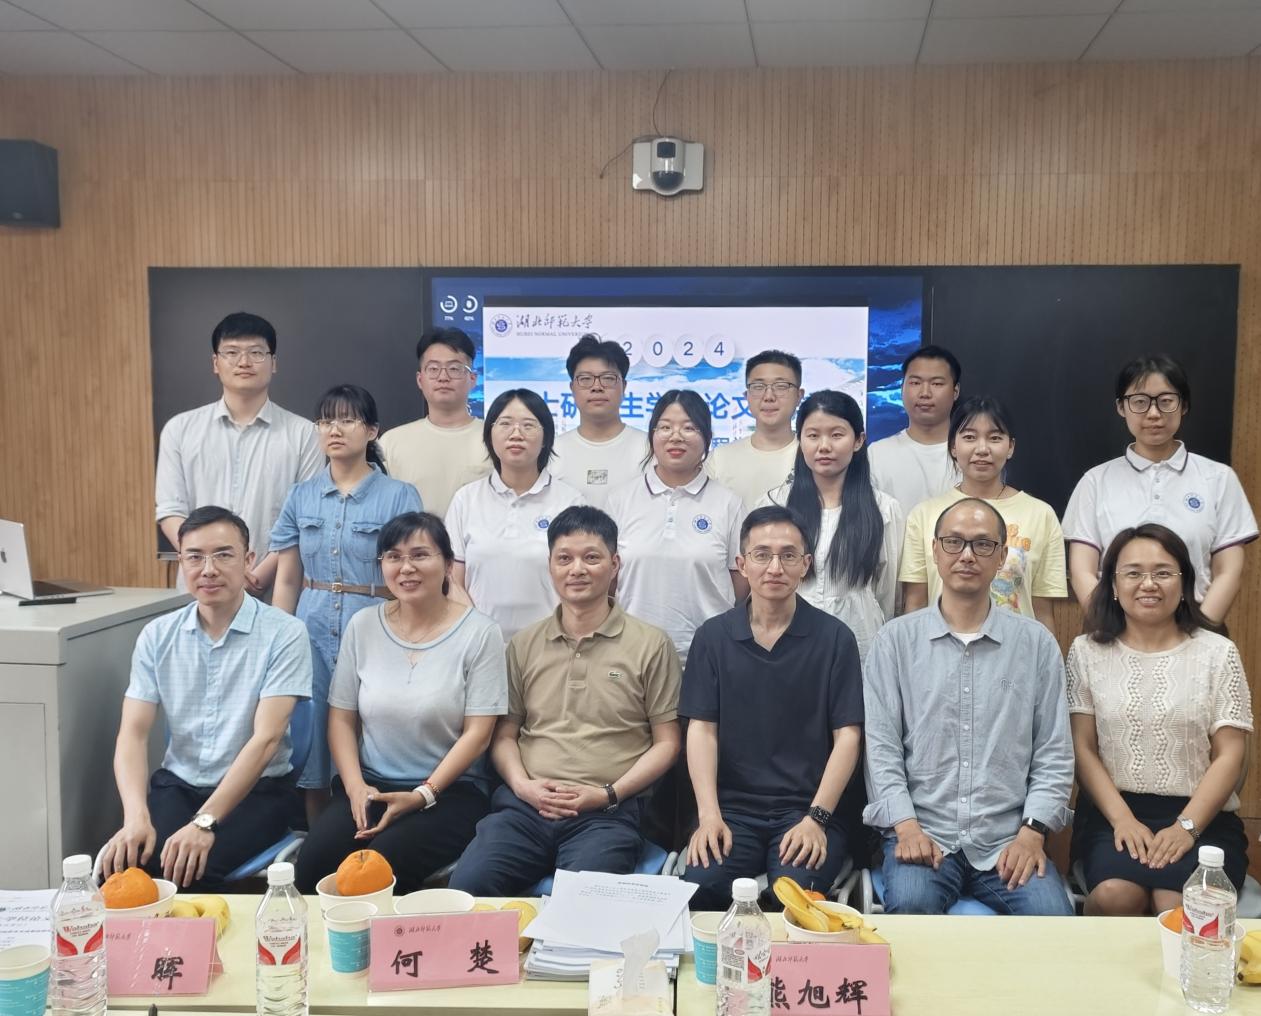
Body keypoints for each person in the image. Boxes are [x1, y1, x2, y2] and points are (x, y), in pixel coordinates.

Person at [449, 506, 682, 895]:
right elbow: (504, 735)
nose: (577, 569)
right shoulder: (524, 644)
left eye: (591, 557)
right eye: (564, 559)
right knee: (469, 888)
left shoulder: (651, 644)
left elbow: (668, 743)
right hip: (524, 810)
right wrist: (522, 786)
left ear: (614, 564)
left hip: (606, 814)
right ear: (550, 566)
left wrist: (607, 794)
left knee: (583, 903)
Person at [863, 498, 1075, 915]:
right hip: (923, 832)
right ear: (935, 550)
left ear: (1002, 556)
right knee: (912, 906)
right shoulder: (895, 641)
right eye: (954, 542)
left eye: (982, 544)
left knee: (1052, 920)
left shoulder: (1036, 644)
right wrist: (905, 826)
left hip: (1008, 840)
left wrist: (1032, 833)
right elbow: (880, 748)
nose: (966, 555)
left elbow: (1054, 751)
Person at [99, 507, 312, 892]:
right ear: (181, 562)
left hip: (257, 792)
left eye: (223, 555)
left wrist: (204, 822)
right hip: (178, 785)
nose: (208, 569)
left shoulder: (285, 633)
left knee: (189, 873)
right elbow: (132, 734)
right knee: (122, 873)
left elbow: (266, 740)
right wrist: (135, 817)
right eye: (195, 557)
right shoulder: (157, 635)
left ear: (248, 561)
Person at [295, 512, 507, 894]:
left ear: (448, 564)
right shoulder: (363, 625)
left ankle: (401, 936)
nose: (406, 567)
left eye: (420, 555)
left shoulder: (480, 633)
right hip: (372, 786)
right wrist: (355, 786)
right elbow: (341, 719)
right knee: (313, 865)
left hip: (450, 793)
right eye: (393, 557)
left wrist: (423, 794)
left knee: (383, 866)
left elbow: (478, 734)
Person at [680, 506, 864, 910]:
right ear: (742, 564)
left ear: (806, 565)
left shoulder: (835, 639)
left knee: (793, 896)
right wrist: (709, 815)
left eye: (788, 555)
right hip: (731, 811)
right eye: (762, 555)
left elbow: (848, 737)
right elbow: (701, 730)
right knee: (701, 888)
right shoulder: (713, 637)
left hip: (808, 809)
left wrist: (817, 819)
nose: (775, 567)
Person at [1067, 523, 1252, 915]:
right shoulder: (1086, 652)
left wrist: (1187, 827)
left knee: (1177, 903)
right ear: (1113, 585)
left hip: (1204, 816)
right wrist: (1122, 819)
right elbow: (1082, 748)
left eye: (1163, 573)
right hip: (1113, 812)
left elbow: (1230, 755)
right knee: (1117, 895)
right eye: (1133, 573)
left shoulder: (1218, 653)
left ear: (1184, 583)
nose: (1148, 584)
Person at [270, 385, 421, 818]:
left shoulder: (399, 495)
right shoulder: (301, 495)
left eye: (347, 420)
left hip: (376, 627)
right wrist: (278, 638)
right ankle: (318, 836)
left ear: (372, 431)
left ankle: (368, 827)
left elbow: (409, 574)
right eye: (325, 421)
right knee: (313, 733)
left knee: (371, 728)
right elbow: (288, 577)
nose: (334, 429)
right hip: (310, 630)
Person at [1063, 354, 1256, 624]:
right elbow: (1082, 570)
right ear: (1121, 407)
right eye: (1140, 402)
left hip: (1196, 626)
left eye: (1166, 401)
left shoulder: (1219, 478)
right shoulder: (1095, 482)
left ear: (1183, 405)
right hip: (1113, 628)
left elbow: (1229, 570)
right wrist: (1112, 628)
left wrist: (1200, 634)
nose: (1153, 414)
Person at [155, 312, 322, 595]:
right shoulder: (180, 430)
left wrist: (258, 574)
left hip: (272, 589)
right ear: (215, 363)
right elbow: (171, 511)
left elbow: (305, 519)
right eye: (232, 352)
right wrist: (210, 564)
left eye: (256, 352)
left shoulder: (304, 434)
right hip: (200, 588)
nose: (244, 362)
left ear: (273, 363)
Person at [757, 390, 904, 661]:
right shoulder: (774, 505)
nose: (824, 446)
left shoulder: (883, 509)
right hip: (785, 641)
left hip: (859, 642)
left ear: (858, 441)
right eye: (813, 435)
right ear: (800, 440)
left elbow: (887, 593)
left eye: (837, 435)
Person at [605, 390, 748, 664]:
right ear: (652, 435)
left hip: (707, 655)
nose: (676, 436)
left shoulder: (729, 504)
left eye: (689, 428)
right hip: (631, 654)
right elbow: (608, 578)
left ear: (707, 437)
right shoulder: (620, 500)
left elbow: (740, 582)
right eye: (665, 427)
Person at [900, 396, 1067, 630]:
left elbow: (1042, 611)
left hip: (1016, 648)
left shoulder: (1041, 515)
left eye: (995, 438)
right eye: (969, 437)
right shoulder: (924, 515)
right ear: (953, 446)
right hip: (939, 647)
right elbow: (915, 604)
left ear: (1010, 447)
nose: (982, 449)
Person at [446, 388, 584, 641]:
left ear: (546, 437)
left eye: (528, 425)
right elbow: (453, 580)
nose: (516, 434)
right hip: (478, 642)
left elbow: (579, 581)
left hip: (551, 644)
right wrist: (477, 632)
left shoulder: (569, 502)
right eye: (505, 424)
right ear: (489, 435)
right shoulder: (466, 499)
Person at [377, 328, 492, 519]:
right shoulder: (391, 442)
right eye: (433, 369)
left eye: (454, 368)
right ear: (420, 379)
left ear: (472, 379)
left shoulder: (494, 439)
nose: (443, 377)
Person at [868, 344, 962, 517]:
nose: (925, 393)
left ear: (955, 391)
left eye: (937, 383)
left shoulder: (971, 454)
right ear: (902, 388)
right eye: (915, 383)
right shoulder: (877, 453)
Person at [551, 334, 645, 507]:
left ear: (624, 387)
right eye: (585, 379)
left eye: (608, 378)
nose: (596, 387)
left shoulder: (650, 449)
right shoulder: (551, 452)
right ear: (572, 388)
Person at [706, 350, 803, 510]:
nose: (769, 396)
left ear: (799, 396)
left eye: (781, 386)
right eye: (758, 387)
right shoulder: (720, 459)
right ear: (747, 396)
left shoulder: (815, 456)